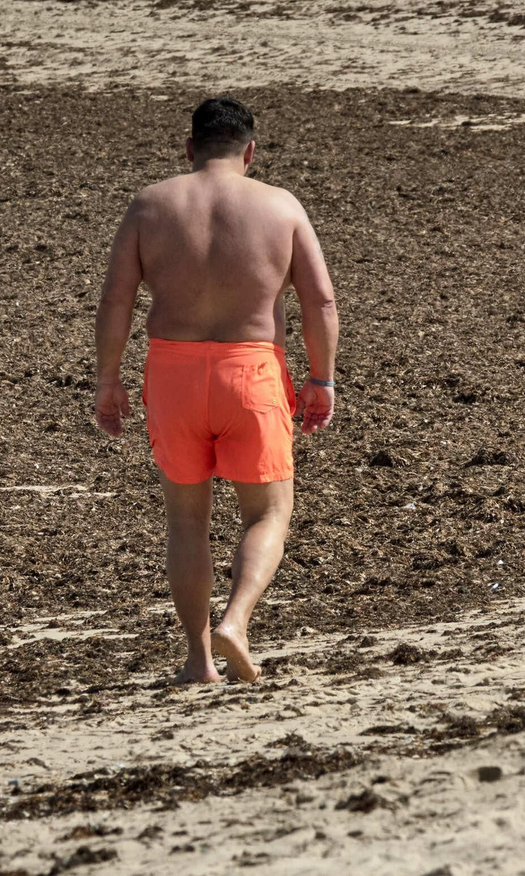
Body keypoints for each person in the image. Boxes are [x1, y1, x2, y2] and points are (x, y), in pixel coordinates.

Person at [93, 97, 339, 684]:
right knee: (268, 512)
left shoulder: (151, 205)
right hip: (250, 371)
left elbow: (115, 300)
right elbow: (321, 301)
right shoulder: (280, 205)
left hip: (173, 374)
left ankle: (198, 659)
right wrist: (321, 378)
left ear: (189, 148)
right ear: (250, 151)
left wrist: (108, 378)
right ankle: (236, 620)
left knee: (185, 521)